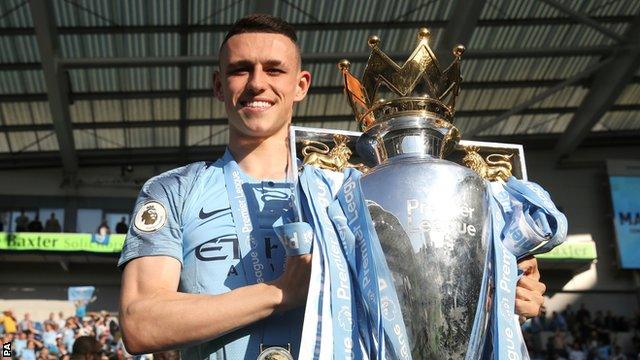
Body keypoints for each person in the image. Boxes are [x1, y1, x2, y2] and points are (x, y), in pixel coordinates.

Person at [118, 14, 547, 358]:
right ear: (218, 85)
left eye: (274, 69)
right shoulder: (173, 191)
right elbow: (141, 325)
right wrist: (280, 294)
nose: (256, 84)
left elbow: (422, 305)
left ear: (300, 84)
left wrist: (503, 298)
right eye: (239, 70)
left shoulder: (353, 193)